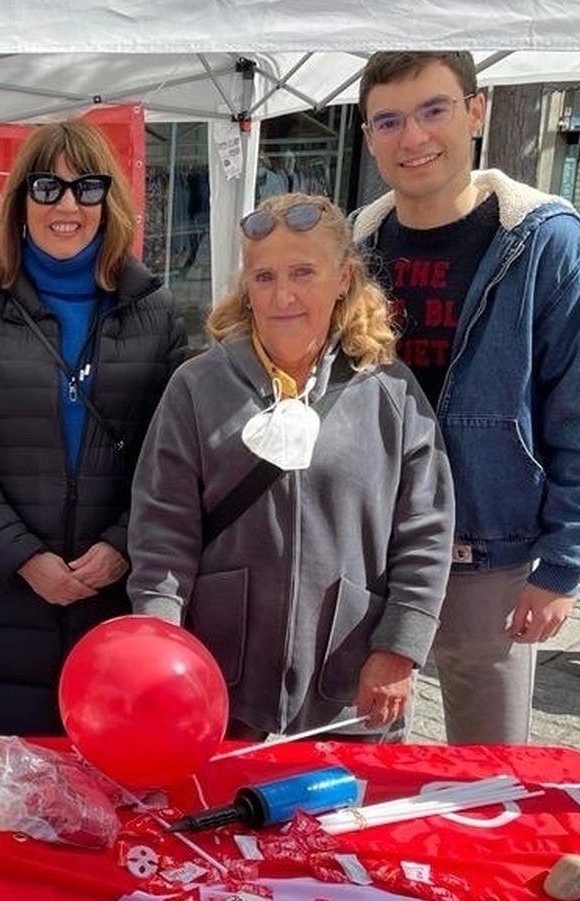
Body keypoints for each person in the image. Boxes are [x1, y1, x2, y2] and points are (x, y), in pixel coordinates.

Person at [353, 52, 580, 745]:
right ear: (367, 136)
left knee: (487, 771)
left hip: (490, 553)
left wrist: (566, 562)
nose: (412, 137)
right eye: (389, 120)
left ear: (476, 112)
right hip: (369, 549)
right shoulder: (354, 244)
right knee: (366, 758)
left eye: (433, 110)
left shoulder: (545, 244)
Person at [128, 192, 454, 741]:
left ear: (344, 277)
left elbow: (426, 530)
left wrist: (400, 649)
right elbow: (162, 528)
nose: (283, 296)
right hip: (217, 687)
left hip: (351, 686)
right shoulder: (197, 385)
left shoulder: (390, 390)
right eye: (264, 277)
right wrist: (162, 643)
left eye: (303, 273)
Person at [0, 119, 188, 736]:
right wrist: (24, 557)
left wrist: (123, 546)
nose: (66, 205)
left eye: (86, 188)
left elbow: (174, 457)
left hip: (114, 598)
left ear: (109, 202)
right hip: (6, 600)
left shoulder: (158, 314)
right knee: (6, 790)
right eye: (47, 188)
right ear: (21, 204)